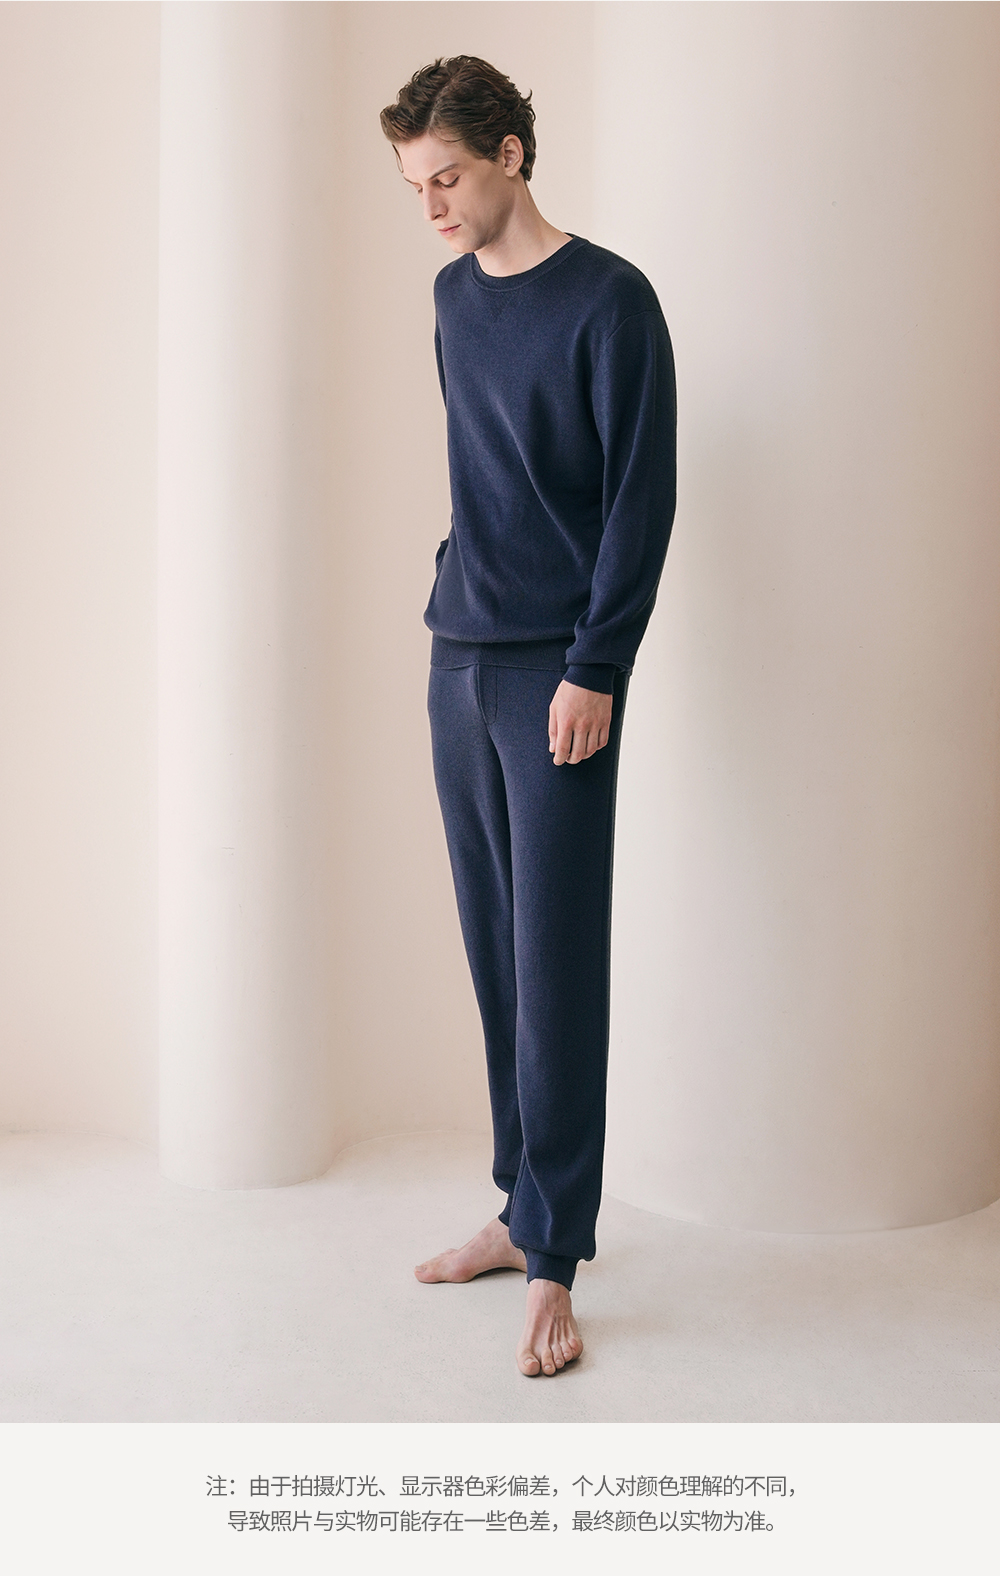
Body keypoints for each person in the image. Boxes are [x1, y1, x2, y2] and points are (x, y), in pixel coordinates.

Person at [380, 56, 676, 1377]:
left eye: (447, 177)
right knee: (495, 953)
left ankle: (556, 1255)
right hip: (459, 657)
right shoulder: (452, 298)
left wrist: (595, 668)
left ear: (508, 153)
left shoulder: (612, 303)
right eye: (415, 187)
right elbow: (478, 477)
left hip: (558, 672)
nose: (433, 207)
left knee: (557, 958)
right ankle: (517, 1207)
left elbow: (639, 504)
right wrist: (457, 591)